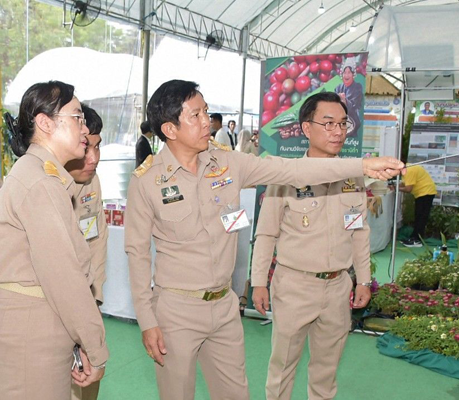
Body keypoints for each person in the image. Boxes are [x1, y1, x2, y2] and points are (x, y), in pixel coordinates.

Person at [124, 79, 403, 400]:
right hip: (176, 309)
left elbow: (292, 171)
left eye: (206, 112)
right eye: (196, 115)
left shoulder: (229, 163)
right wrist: (147, 320)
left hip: (224, 307)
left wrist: (364, 165)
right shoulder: (147, 182)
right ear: (170, 129)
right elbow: (137, 254)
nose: (207, 122)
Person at [251, 92, 372, 400]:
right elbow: (266, 233)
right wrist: (258, 282)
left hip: (337, 287)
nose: (337, 131)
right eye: (328, 123)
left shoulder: (352, 176)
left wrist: (364, 279)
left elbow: (359, 231)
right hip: (295, 285)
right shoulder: (285, 176)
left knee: (326, 371)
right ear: (306, 128)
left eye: (343, 124)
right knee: (282, 367)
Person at [0, 81, 108, 399]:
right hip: (36, 332)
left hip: (41, 323)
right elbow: (65, 277)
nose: (85, 129)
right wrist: (96, 348)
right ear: (45, 123)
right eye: (77, 117)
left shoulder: (41, 175)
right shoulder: (41, 183)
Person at [66, 104, 108, 400]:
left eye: (97, 146)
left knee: (88, 386)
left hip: (87, 304)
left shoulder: (92, 179)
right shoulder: (45, 184)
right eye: (85, 147)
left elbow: (97, 242)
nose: (93, 158)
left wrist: (94, 301)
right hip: (54, 312)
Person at [398, 165, 437, 247]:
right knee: (418, 216)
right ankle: (414, 237)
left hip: (426, 192)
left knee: (421, 217)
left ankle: (417, 240)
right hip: (423, 193)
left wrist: (396, 188)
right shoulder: (407, 169)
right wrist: (397, 186)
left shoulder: (409, 171)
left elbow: (408, 189)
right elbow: (405, 183)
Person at [334, 59, 363, 137]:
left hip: (352, 123)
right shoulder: (338, 88)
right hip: (338, 124)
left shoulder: (358, 87)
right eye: (345, 72)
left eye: (349, 72)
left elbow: (354, 104)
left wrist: (344, 100)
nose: (346, 75)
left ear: (353, 74)